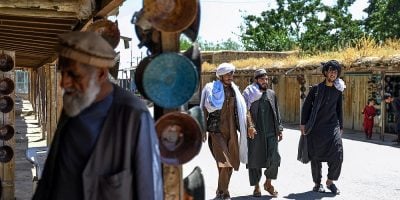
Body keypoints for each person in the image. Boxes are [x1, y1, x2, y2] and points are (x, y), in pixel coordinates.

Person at [32, 31, 163, 200]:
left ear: (101, 74)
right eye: (62, 73)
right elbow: (51, 174)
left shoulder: (134, 117)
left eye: (74, 74)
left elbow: (149, 192)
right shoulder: (73, 105)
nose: (63, 83)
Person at [200, 63, 247, 200]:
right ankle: (223, 191)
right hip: (216, 131)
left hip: (232, 131)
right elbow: (203, 110)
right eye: (227, 74)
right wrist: (203, 129)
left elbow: (244, 110)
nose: (230, 77)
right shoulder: (210, 89)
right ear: (220, 75)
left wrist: (249, 126)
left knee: (229, 164)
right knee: (224, 162)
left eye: (231, 74)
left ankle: (222, 191)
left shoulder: (235, 91)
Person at [300, 60, 345, 195]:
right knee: (316, 156)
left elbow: (339, 109)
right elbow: (306, 106)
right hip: (316, 127)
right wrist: (303, 123)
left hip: (332, 126)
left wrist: (341, 126)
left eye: (335, 71)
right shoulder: (316, 89)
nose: (333, 73)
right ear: (325, 72)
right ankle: (317, 183)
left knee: (338, 154)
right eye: (331, 71)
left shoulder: (338, 90)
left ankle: (330, 181)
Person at [242, 69, 283, 197]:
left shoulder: (271, 94)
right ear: (256, 80)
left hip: (271, 132)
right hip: (255, 132)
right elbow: (245, 111)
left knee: (275, 158)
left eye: (266, 79)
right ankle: (256, 187)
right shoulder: (250, 94)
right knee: (255, 160)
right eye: (262, 79)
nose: (265, 81)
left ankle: (268, 183)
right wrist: (250, 126)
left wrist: (279, 129)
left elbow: (276, 112)